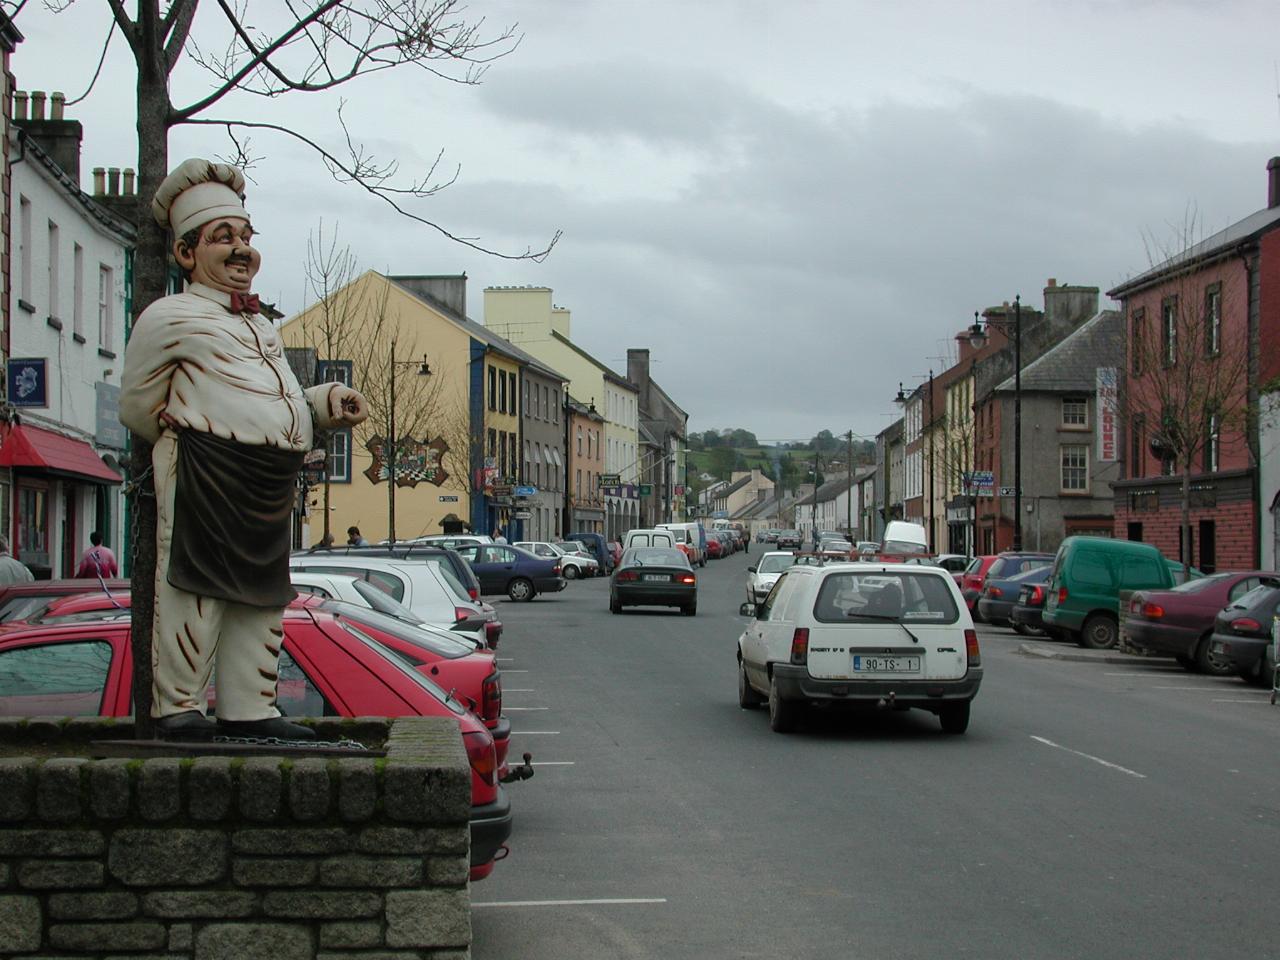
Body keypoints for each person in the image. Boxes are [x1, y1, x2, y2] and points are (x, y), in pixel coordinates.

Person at [120, 158, 367, 741]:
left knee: (261, 600)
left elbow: (273, 399)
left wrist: (322, 404)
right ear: (186, 253)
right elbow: (137, 404)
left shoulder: (261, 327)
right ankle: (179, 704)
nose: (241, 251)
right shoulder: (170, 317)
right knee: (195, 589)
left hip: (268, 478)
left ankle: (250, 705)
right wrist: (195, 436)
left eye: (246, 238)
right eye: (223, 238)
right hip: (209, 470)